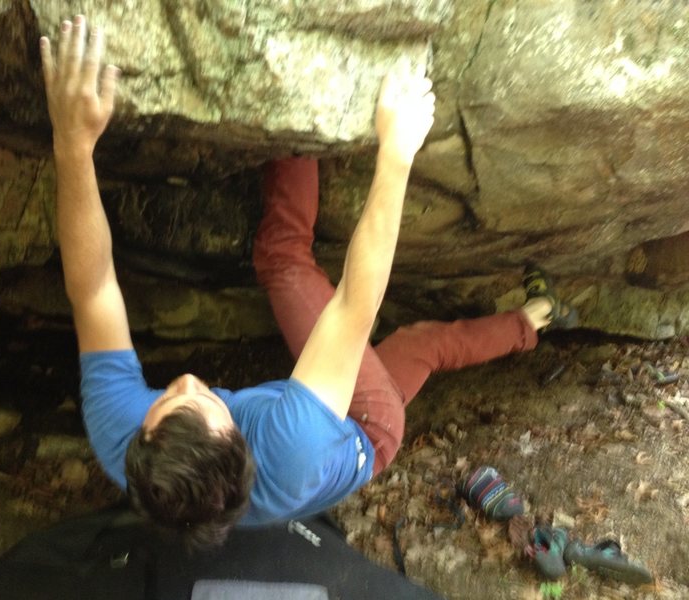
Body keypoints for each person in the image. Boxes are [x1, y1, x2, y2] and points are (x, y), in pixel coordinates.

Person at [40, 16, 561, 551]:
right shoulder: (293, 444)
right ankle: (300, 129)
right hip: (366, 426)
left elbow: (94, 288)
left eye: (168, 397)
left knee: (418, 346)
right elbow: (353, 307)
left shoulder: (121, 441)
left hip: (329, 437)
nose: (190, 380)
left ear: (141, 441)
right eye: (206, 402)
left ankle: (528, 320)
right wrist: (396, 154)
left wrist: (72, 146)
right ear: (244, 446)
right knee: (283, 257)